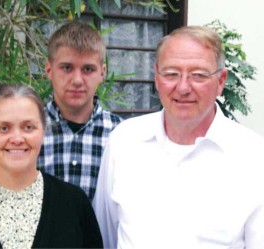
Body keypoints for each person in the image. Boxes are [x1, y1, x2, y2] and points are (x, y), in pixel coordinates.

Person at [93, 26, 264, 249]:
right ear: (156, 78)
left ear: (221, 81)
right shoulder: (124, 142)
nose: (183, 87)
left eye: (198, 75)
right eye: (171, 74)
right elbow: (105, 237)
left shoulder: (253, 156)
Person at [0, 84, 103, 248]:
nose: (17, 138)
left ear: (43, 132)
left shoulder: (75, 204)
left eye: (28, 127)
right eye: (4, 128)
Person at [37, 21, 122, 201]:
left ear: (102, 72)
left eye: (88, 69)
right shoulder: (29, 130)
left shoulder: (121, 134)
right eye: (67, 68)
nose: (77, 80)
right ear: (48, 69)